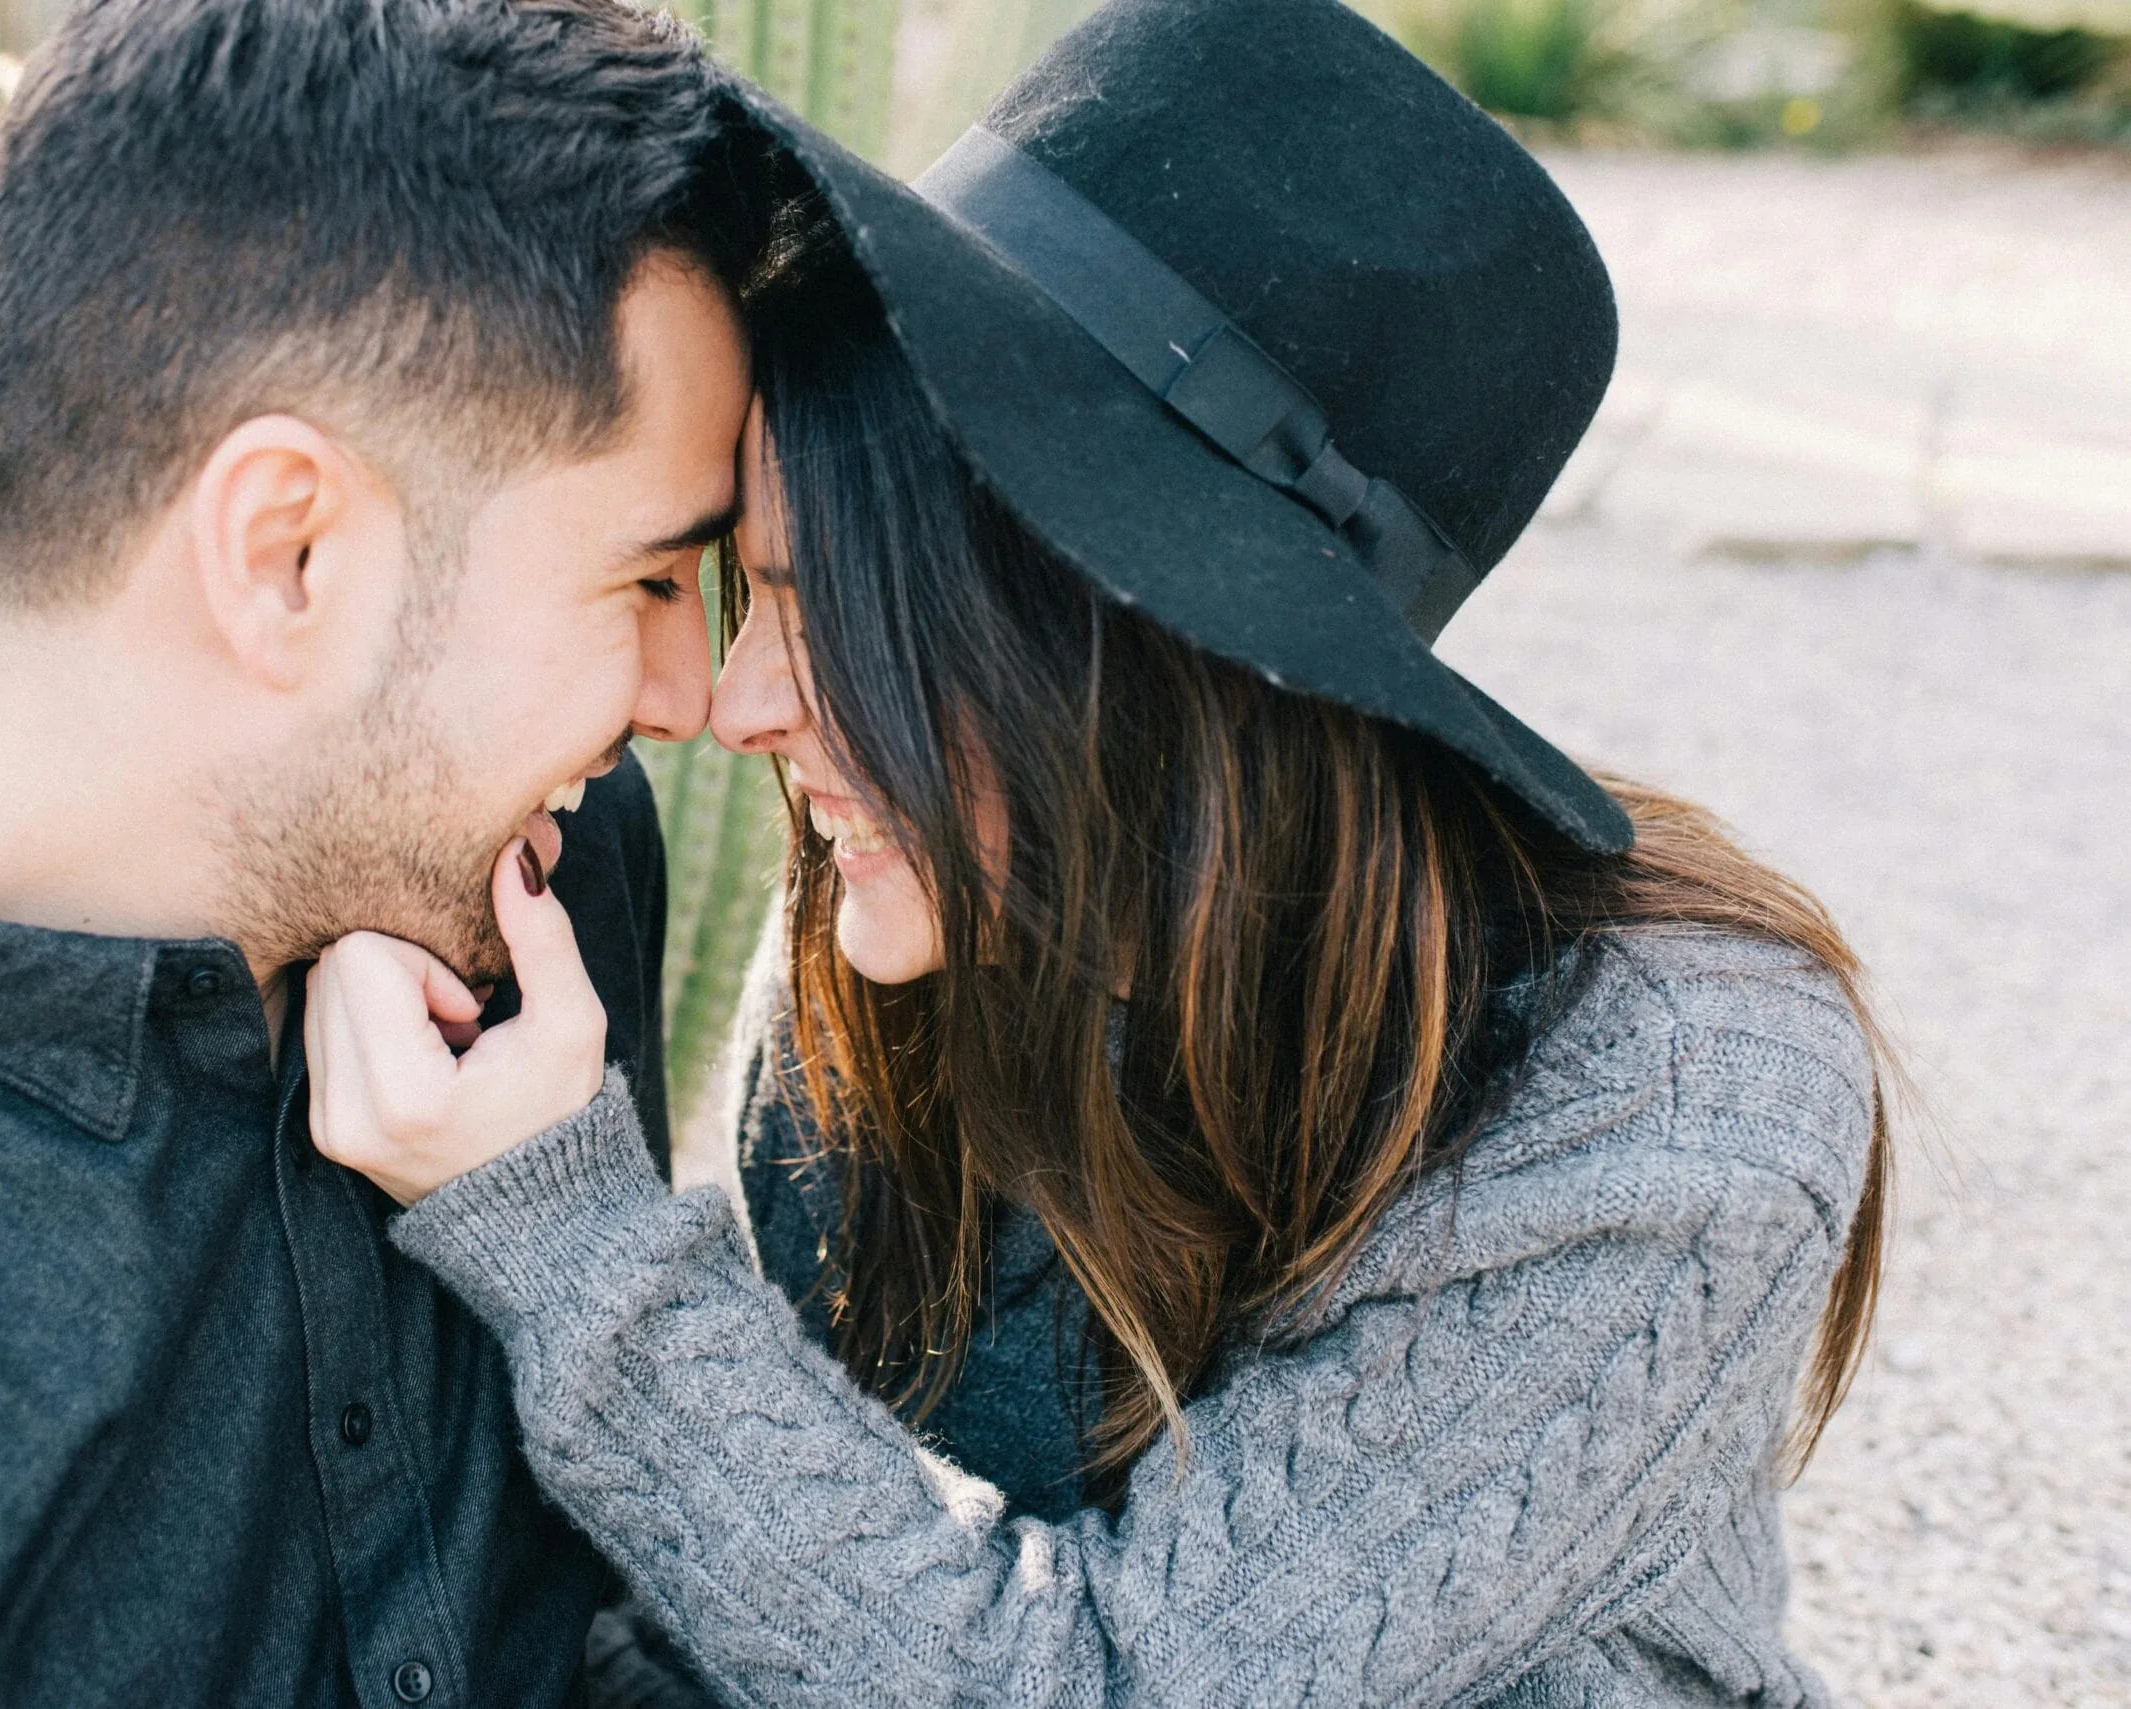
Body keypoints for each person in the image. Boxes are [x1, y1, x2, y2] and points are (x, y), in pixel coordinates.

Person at [304, 0, 1896, 1702]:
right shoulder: (919, 927)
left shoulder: (1677, 1102)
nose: (730, 703)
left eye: (811, 600)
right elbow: (826, 1550)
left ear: (1108, 645)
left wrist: (564, 1236)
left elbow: (1097, 1684)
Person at [0, 0, 761, 1701]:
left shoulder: (543, 888)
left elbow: (581, 1629)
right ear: (286, 552)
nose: (689, 692)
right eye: (649, 577)